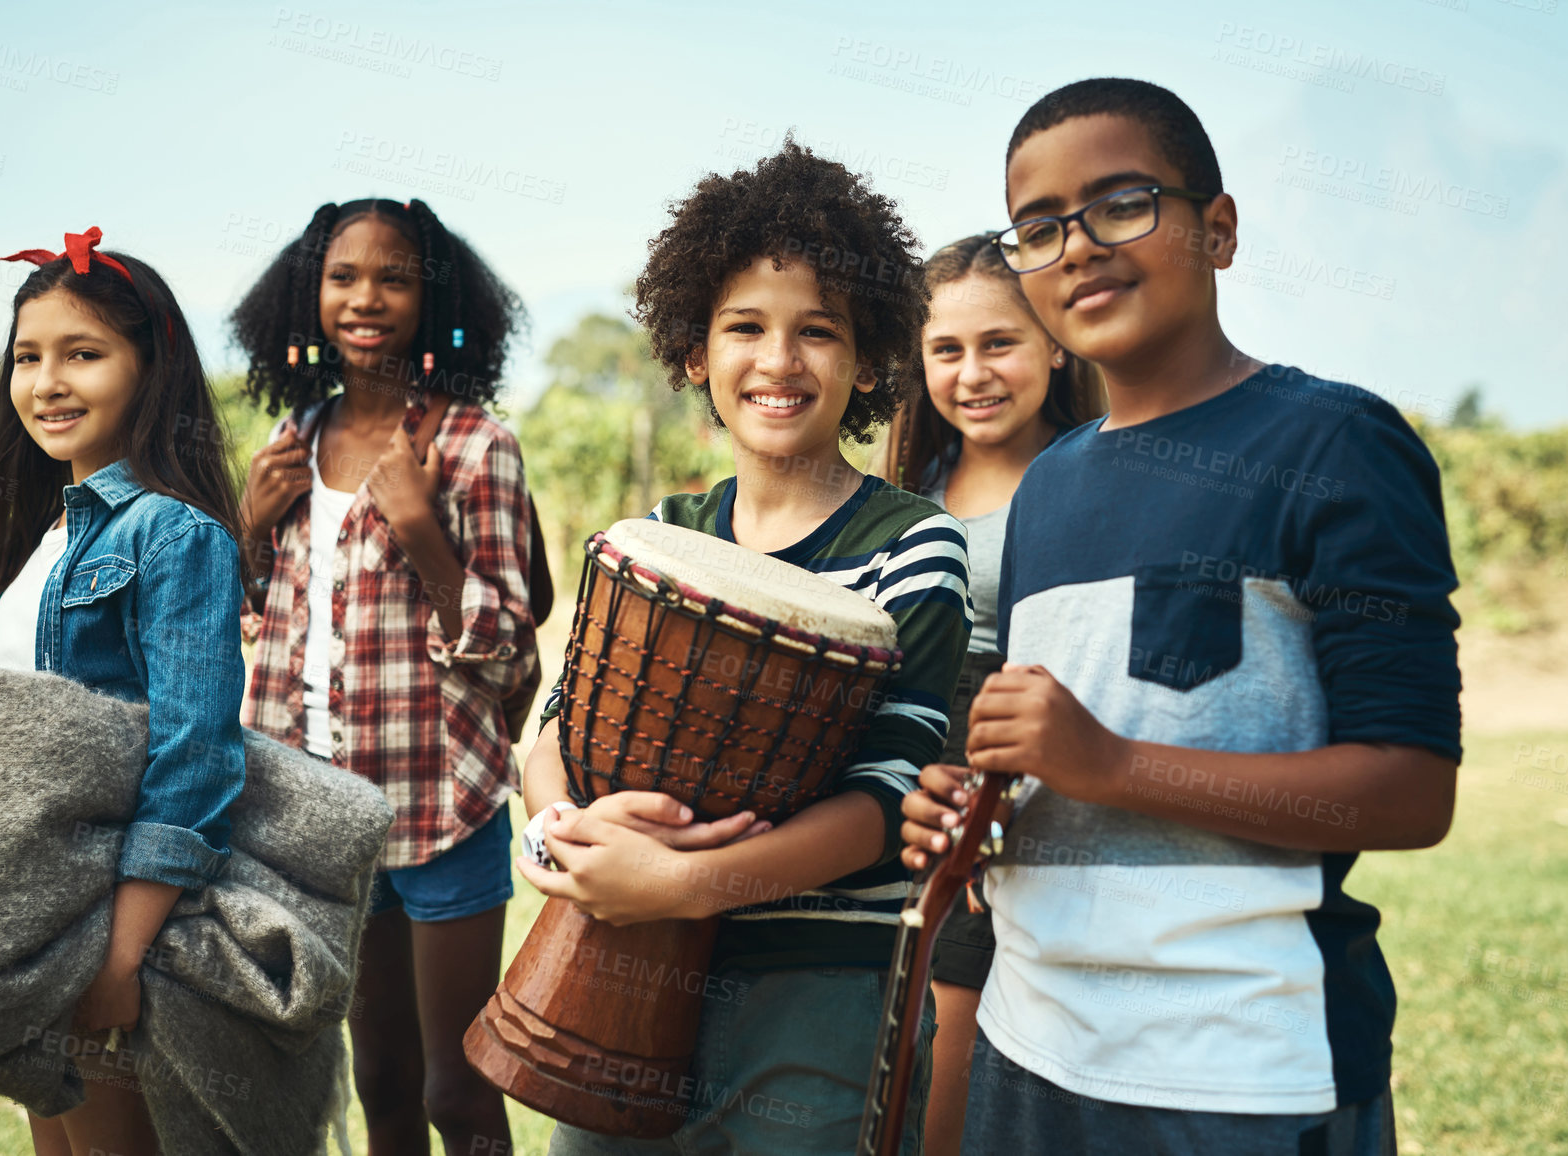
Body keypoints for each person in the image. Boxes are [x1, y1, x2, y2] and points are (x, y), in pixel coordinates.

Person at [901, 77, 1461, 1156]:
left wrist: (1112, 763)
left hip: (1241, 1066)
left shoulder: (1333, 446)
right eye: (1038, 227)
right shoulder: (1047, 493)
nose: (1077, 247)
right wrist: (971, 807)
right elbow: (1052, 755)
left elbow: (1409, 788)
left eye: (1121, 203)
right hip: (1028, 1051)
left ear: (1218, 228)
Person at [518, 139, 972, 1156]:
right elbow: (553, 728)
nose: (778, 361)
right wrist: (558, 830)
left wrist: (680, 883)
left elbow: (886, 797)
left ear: (866, 361)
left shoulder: (911, 546)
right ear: (694, 350)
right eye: (744, 327)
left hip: (822, 995)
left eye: (818, 330)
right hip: (621, 972)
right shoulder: (659, 531)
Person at [231, 198, 537, 1156]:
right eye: (343, 276)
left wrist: (421, 533)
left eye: (394, 276)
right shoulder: (290, 445)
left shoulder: (475, 448)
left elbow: (512, 651)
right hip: (323, 814)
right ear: (307, 296)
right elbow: (259, 622)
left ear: (434, 298)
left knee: (458, 1086)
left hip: (439, 805)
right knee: (382, 1081)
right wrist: (248, 520)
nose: (366, 297)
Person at [0, 227, 247, 1156]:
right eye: (28, 357)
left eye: (82, 354)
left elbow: (195, 753)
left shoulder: (173, 535)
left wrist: (121, 951)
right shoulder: (45, 539)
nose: (47, 381)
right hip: (34, 911)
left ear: (151, 367)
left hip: (113, 919)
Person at [875, 232, 1103, 1156]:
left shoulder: (1089, 476)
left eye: (998, 343)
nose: (973, 373)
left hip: (1002, 778)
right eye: (946, 349)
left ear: (1054, 339)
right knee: (890, 1041)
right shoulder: (910, 486)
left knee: (950, 1047)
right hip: (899, 778)